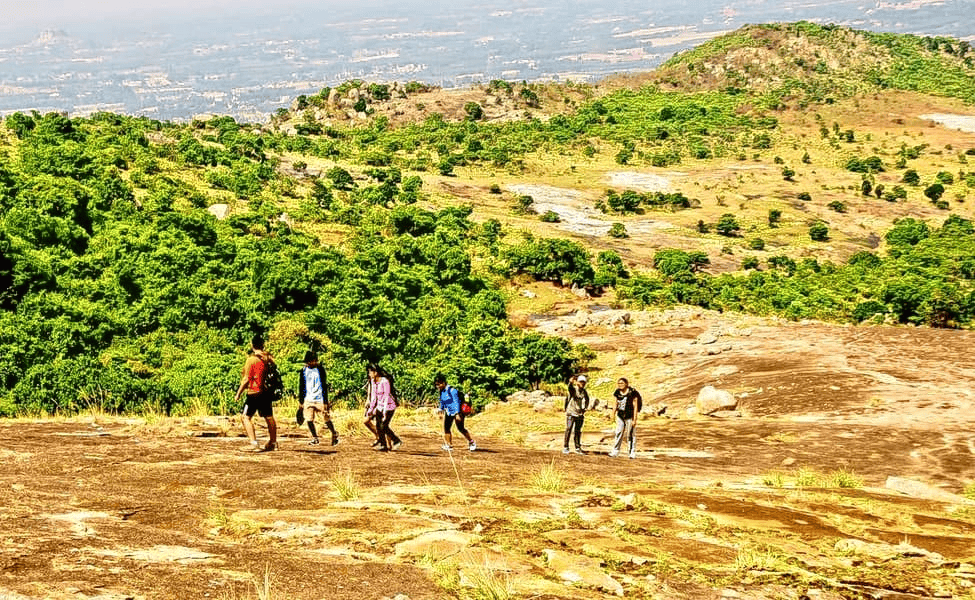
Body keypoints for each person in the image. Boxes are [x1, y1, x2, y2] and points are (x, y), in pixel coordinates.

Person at [234, 335, 277, 452]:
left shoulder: (251, 360)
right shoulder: (269, 358)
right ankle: (273, 442)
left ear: (252, 345)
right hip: (266, 392)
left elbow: (246, 379)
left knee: (245, 417)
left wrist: (238, 393)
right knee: (269, 417)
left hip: (254, 392)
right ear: (263, 345)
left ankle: (253, 443)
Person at [298, 350, 339, 446]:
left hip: (320, 398)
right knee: (309, 419)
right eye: (311, 361)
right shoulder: (303, 371)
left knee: (326, 418)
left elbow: (324, 385)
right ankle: (315, 437)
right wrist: (301, 400)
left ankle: (334, 433)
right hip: (308, 398)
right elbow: (301, 386)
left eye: (314, 361)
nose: (313, 363)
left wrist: (325, 401)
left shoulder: (320, 370)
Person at [435, 373, 476, 452]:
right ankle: (449, 445)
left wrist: (457, 414)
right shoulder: (441, 391)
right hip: (449, 412)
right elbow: (442, 402)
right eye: (437, 385)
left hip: (458, 412)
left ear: (444, 382)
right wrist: (441, 410)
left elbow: (456, 402)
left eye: (439, 384)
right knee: (446, 428)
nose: (438, 386)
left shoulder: (452, 390)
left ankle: (471, 442)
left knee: (461, 428)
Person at [365, 363, 401, 451]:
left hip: (389, 406)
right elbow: (373, 397)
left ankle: (396, 440)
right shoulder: (373, 382)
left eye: (370, 372)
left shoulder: (384, 381)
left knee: (384, 426)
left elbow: (386, 396)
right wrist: (370, 409)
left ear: (375, 372)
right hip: (379, 406)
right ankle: (383, 445)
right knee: (378, 426)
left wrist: (384, 411)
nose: (369, 374)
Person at [609, 377, 642, 459]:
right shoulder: (617, 392)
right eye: (619, 383)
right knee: (618, 432)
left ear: (626, 384)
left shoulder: (632, 393)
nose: (620, 385)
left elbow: (635, 407)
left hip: (629, 416)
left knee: (630, 434)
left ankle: (631, 452)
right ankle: (615, 451)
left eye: (622, 383)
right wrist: (612, 414)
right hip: (620, 415)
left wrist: (634, 419)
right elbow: (615, 403)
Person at [563, 374, 590, 454]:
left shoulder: (584, 392)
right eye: (581, 382)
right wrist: (570, 383)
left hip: (580, 414)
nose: (582, 383)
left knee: (578, 431)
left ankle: (577, 447)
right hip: (571, 413)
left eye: (584, 382)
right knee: (569, 429)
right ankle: (566, 447)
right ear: (577, 382)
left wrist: (585, 408)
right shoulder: (574, 390)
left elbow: (587, 400)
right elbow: (569, 388)